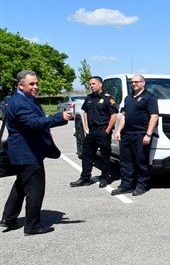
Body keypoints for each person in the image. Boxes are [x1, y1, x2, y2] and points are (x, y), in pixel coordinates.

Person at [0, 70, 72, 235]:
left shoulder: (23, 99)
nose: (36, 87)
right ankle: (32, 226)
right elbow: (32, 123)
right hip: (27, 153)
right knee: (35, 190)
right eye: (31, 84)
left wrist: (46, 129)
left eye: (36, 83)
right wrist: (58, 117)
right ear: (20, 85)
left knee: (21, 186)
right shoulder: (19, 103)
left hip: (25, 151)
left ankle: (8, 218)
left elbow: (31, 124)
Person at [112, 75, 159, 196]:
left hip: (141, 134)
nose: (134, 84)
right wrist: (118, 131)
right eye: (132, 82)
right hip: (127, 134)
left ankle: (141, 185)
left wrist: (148, 134)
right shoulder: (128, 98)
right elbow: (123, 115)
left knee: (141, 161)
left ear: (143, 83)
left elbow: (154, 116)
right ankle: (126, 185)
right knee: (125, 161)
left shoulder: (149, 97)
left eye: (136, 82)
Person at [69, 76, 118, 188]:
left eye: (93, 84)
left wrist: (107, 130)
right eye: (90, 84)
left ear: (100, 84)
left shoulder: (108, 98)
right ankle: (85, 178)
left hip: (103, 130)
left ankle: (105, 177)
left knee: (105, 156)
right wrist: (86, 125)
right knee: (87, 155)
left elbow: (113, 115)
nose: (91, 86)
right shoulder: (89, 98)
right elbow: (85, 111)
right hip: (91, 131)